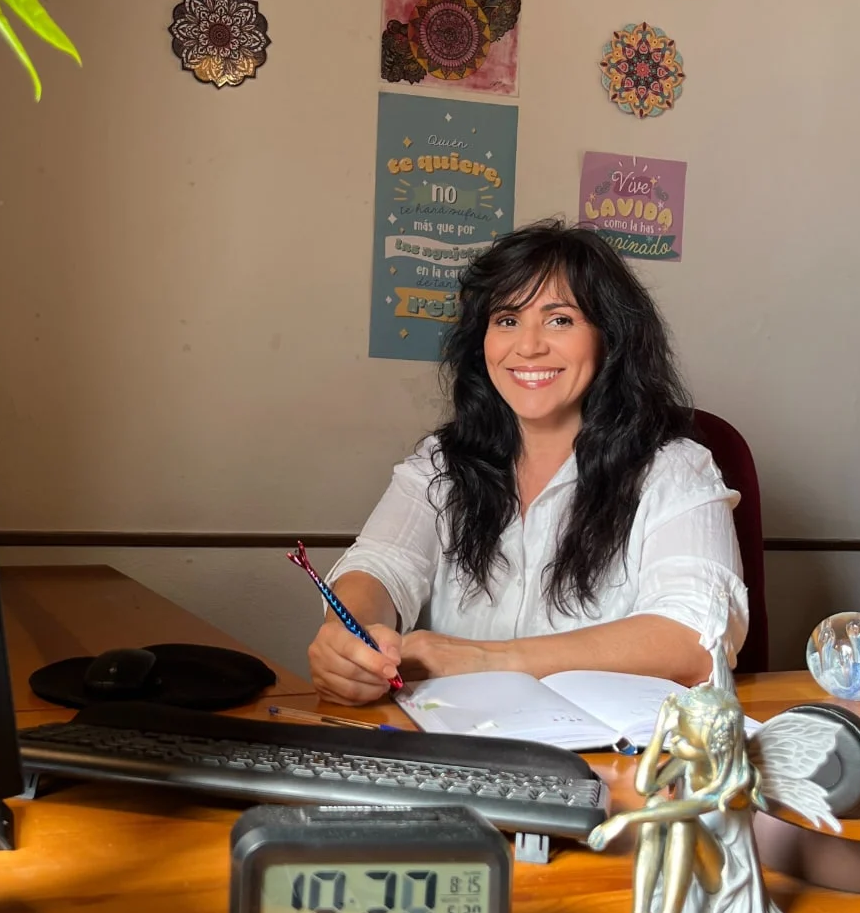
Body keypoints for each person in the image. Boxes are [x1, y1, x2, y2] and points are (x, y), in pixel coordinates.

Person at [308, 219, 747, 703]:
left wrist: (486, 660)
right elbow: (379, 568)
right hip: (455, 739)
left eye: (560, 320)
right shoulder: (440, 465)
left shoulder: (675, 469)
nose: (529, 346)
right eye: (507, 320)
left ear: (609, 337)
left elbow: (694, 637)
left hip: (610, 747)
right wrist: (350, 641)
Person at [587, 677, 790, 913]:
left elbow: (690, 808)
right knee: (655, 804)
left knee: (683, 821)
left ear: (712, 747)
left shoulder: (735, 783)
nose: (674, 742)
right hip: (688, 859)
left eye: (682, 739)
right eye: (674, 736)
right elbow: (645, 786)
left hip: (726, 874)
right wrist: (659, 730)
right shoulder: (688, 761)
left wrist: (625, 818)